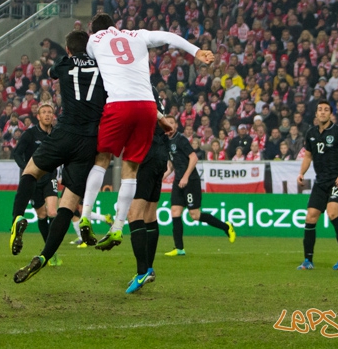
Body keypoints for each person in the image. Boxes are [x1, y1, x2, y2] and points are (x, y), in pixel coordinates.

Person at [78, 14, 214, 252]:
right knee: (131, 168)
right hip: (147, 107)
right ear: (116, 26)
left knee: (102, 159)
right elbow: (169, 37)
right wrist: (196, 51)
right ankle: (118, 227)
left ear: (94, 29)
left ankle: (86, 216)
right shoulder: (137, 34)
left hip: (119, 104)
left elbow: (89, 62)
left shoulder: (94, 40)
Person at [12, 30, 109, 283]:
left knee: (31, 172)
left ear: (67, 49)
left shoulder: (64, 63)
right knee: (68, 205)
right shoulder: (103, 65)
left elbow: (51, 73)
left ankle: (17, 219)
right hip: (89, 141)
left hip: (64, 132)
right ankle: (45, 256)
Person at [297, 99, 338, 271]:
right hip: (320, 181)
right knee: (310, 217)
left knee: (332, 213)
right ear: (316, 114)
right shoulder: (311, 133)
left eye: (326, 110)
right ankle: (308, 261)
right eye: (320, 110)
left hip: (337, 180)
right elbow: (308, 156)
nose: (323, 112)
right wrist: (302, 173)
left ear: (330, 113)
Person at [125, 87, 176, 293]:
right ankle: (148, 269)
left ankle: (141, 271)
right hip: (160, 155)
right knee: (149, 214)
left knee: (133, 214)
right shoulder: (151, 90)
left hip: (148, 153)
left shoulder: (138, 89)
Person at [164, 130, 235, 257]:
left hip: (191, 180)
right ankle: (179, 248)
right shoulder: (166, 142)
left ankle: (226, 227)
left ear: (175, 126)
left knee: (195, 215)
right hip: (178, 181)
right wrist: (162, 177)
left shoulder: (181, 139)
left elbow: (194, 158)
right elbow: (171, 166)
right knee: (175, 211)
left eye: (171, 123)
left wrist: (185, 177)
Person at [11, 103, 61, 266]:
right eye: (44, 112)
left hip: (50, 176)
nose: (47, 115)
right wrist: (26, 169)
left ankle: (51, 252)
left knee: (53, 212)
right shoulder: (30, 135)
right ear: (38, 116)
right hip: (33, 179)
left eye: (50, 112)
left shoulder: (56, 134)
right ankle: (48, 249)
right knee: (42, 215)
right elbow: (16, 153)